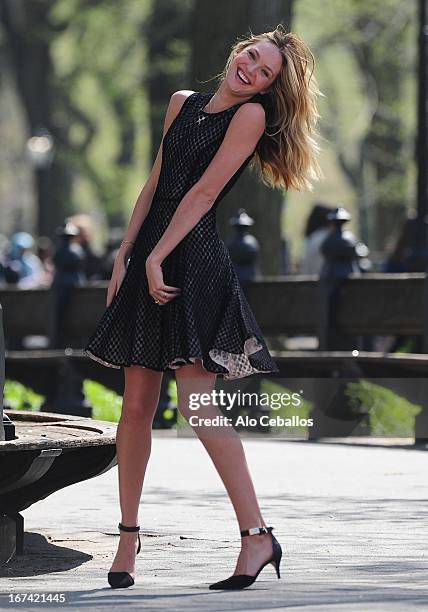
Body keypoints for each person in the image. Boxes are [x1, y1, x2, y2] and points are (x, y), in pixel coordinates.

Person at [83, 23, 323, 590]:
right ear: (240, 47)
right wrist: (126, 256)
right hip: (152, 256)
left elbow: (204, 193)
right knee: (136, 406)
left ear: (269, 88)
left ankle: (256, 536)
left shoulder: (250, 117)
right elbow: (157, 182)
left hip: (194, 264)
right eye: (253, 58)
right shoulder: (181, 104)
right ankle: (127, 539)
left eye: (265, 75)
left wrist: (157, 257)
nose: (252, 72)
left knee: (197, 406)